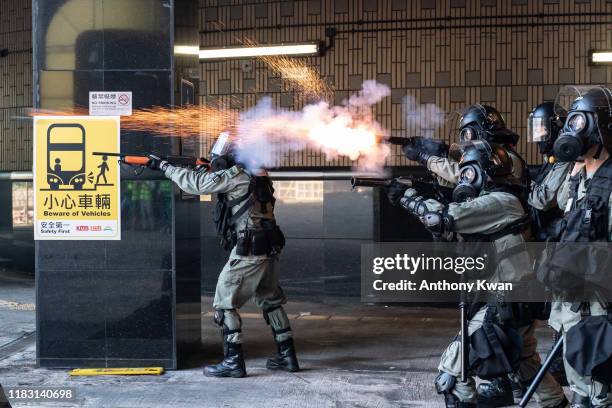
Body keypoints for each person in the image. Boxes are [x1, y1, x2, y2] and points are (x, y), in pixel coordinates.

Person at [386, 140, 567, 408]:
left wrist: (407, 197)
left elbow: (442, 218)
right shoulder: (503, 200)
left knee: (453, 371)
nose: (463, 178)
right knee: (526, 367)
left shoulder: (500, 202)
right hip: (515, 302)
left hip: (503, 303)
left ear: (480, 172)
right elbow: (453, 233)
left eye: (467, 171)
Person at [147, 132, 299, 378]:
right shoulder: (260, 173)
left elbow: (195, 185)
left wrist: (164, 166)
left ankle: (233, 362)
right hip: (268, 248)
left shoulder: (237, 175)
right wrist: (210, 168)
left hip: (248, 251)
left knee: (223, 304)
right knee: (270, 301)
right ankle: (288, 357)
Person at [539, 87, 612, 408]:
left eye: (579, 123)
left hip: (598, 311)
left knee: (599, 394)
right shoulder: (578, 178)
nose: (571, 133)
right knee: (581, 391)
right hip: (572, 311)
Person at [526, 102, 571, 388]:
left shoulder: (566, 161)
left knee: (564, 308)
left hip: (561, 243)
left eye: (543, 128)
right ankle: (561, 362)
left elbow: (542, 199)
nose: (540, 134)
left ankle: (561, 364)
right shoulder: (554, 161)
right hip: (551, 244)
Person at [403, 104, 529, 190]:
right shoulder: (502, 154)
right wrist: (443, 154)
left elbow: (465, 175)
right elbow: (459, 183)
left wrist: (425, 158)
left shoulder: (504, 158)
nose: (466, 140)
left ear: (479, 132)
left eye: (467, 134)